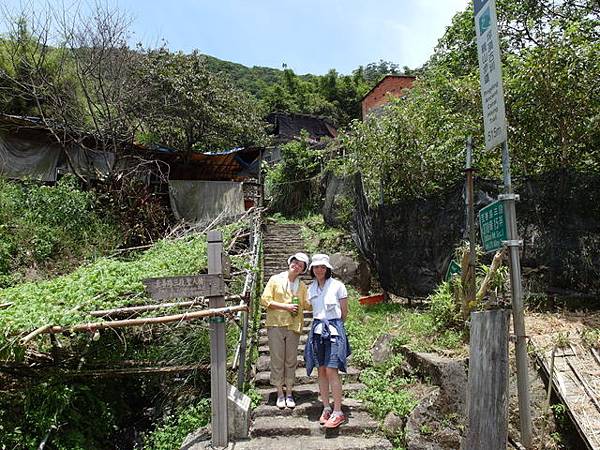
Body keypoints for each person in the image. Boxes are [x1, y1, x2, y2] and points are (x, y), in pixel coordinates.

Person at [304, 253, 351, 429]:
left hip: (333, 330)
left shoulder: (338, 286)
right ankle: (326, 407)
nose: (319, 270)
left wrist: (336, 328)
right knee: (321, 371)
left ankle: (338, 411)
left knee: (332, 370)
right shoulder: (311, 289)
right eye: (316, 267)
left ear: (328, 269)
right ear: (312, 270)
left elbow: (344, 313)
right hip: (317, 331)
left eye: (322, 267)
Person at [260, 252, 310, 409]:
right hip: (276, 324)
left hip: (294, 325)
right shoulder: (275, 279)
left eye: (301, 265)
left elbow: (308, 304)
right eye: (295, 262)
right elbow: (265, 300)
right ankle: (279, 393)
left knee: (291, 360)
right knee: (277, 359)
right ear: (290, 262)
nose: (296, 266)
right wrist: (285, 306)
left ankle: (289, 392)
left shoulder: (302, 286)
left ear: (303, 270)